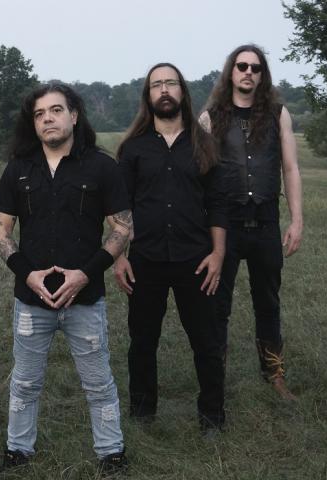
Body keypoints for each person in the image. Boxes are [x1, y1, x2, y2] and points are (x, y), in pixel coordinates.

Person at [0, 83, 131, 472]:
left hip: (84, 298)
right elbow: (0, 229)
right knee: (24, 382)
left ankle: (111, 452)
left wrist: (85, 274)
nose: (47, 119)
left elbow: (122, 228)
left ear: (74, 115)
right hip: (30, 300)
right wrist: (27, 274)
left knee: (98, 382)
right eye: (39, 114)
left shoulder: (102, 166)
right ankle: (17, 450)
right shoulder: (19, 168)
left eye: (55, 110)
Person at [114, 63, 227, 432]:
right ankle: (142, 414)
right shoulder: (133, 148)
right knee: (142, 341)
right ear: (148, 96)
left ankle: (212, 416)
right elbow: (120, 207)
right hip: (144, 259)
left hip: (196, 259)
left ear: (182, 92)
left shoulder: (204, 144)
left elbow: (218, 204)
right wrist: (119, 257)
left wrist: (218, 254)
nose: (164, 90)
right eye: (156, 85)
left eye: (170, 83)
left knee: (206, 342)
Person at [200, 44, 303, 400]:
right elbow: (199, 175)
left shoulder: (278, 114)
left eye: (255, 68)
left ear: (262, 75)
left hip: (266, 222)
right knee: (217, 304)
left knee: (268, 302)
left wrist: (297, 220)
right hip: (224, 226)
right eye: (242, 66)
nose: (248, 72)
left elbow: (290, 168)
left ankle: (274, 375)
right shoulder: (210, 117)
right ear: (231, 71)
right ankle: (215, 378)